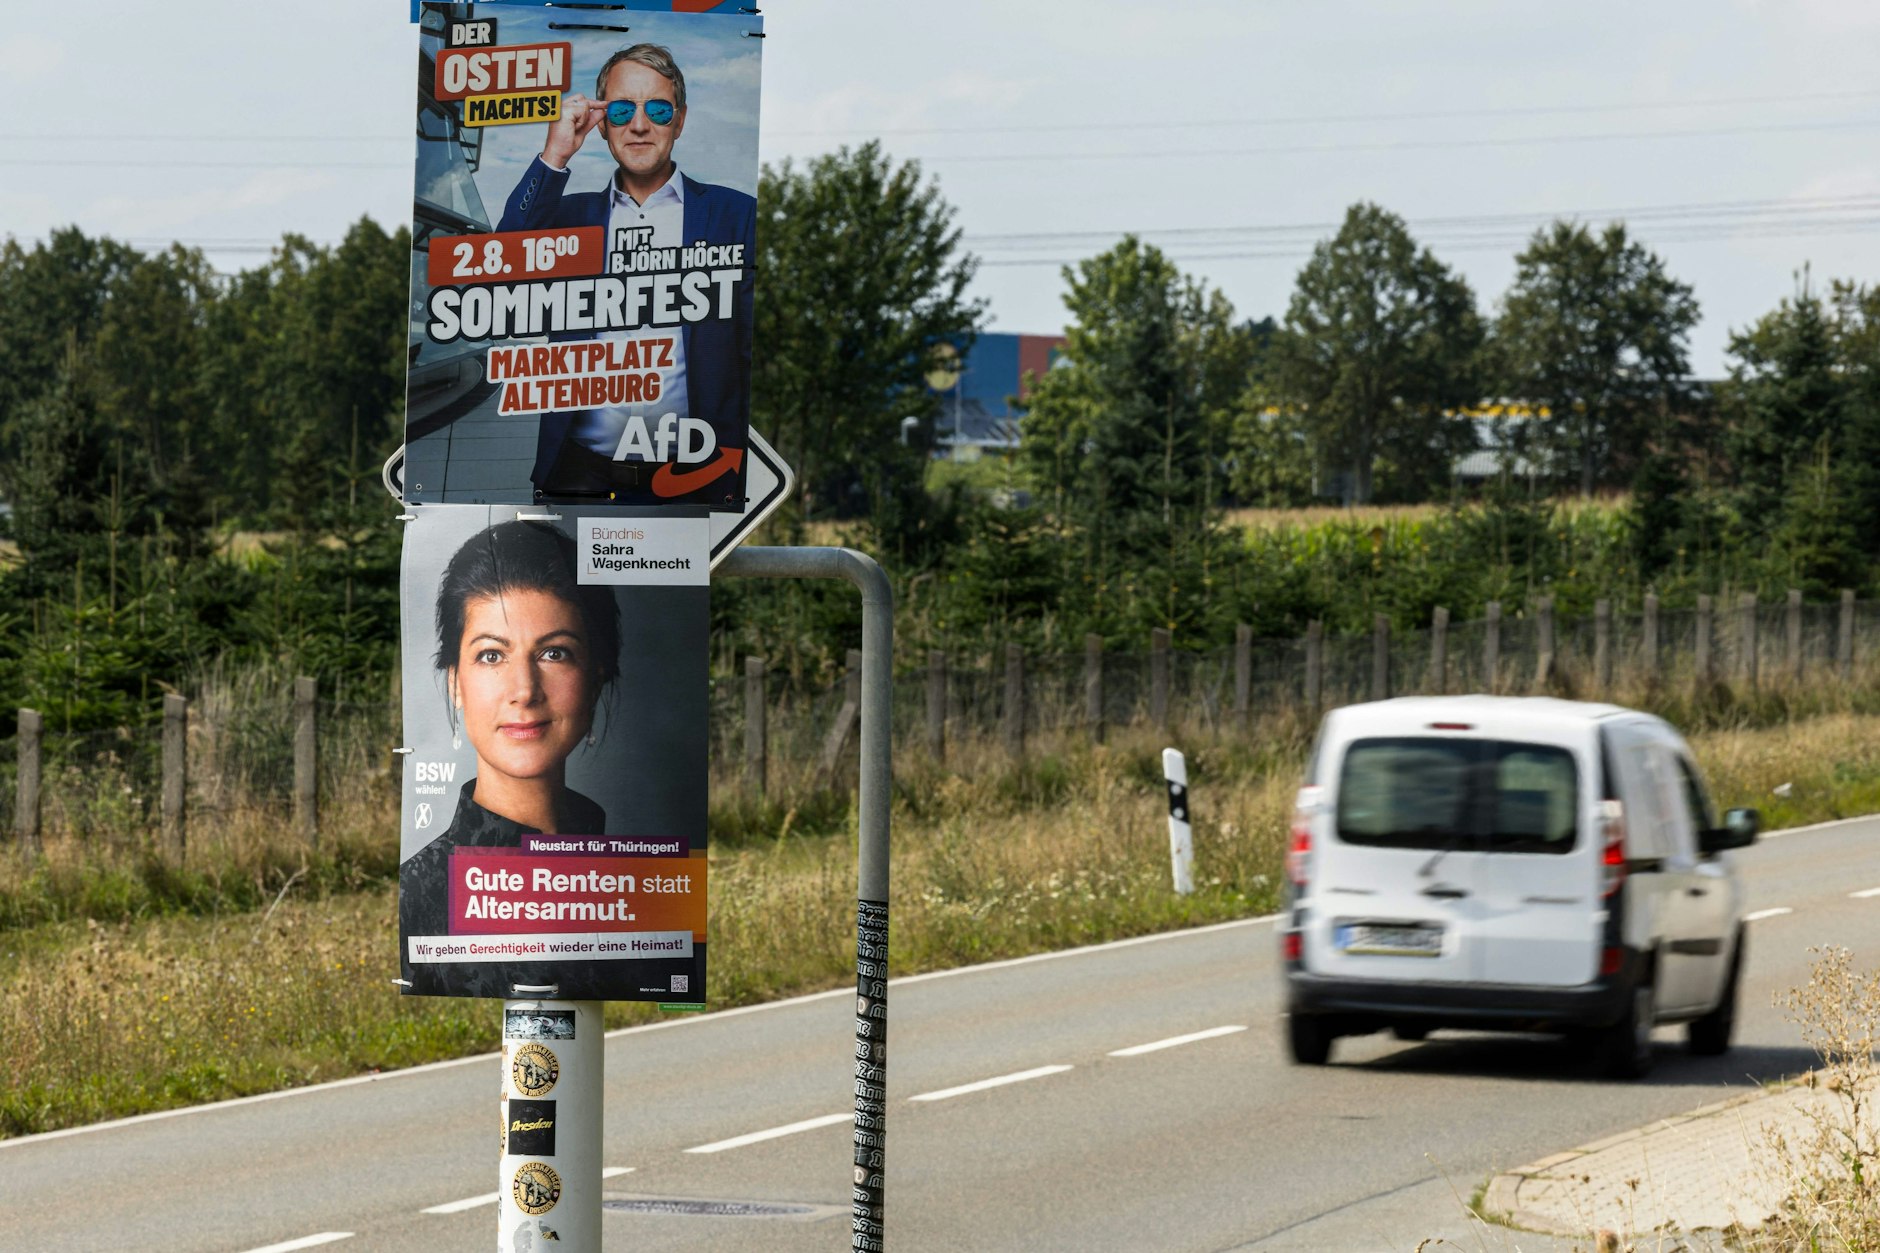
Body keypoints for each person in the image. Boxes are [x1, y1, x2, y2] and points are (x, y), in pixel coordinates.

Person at [496, 43, 755, 506]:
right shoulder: (569, 219)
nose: (639, 125)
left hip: (696, 477)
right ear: (602, 124)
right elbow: (503, 269)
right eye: (621, 110)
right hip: (578, 474)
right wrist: (555, 154)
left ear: (680, 119)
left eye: (658, 109)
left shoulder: (737, 216)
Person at [399, 520, 621, 965]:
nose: (524, 690)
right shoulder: (421, 891)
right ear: (455, 683)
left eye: (554, 652)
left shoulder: (630, 874)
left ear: (595, 679)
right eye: (492, 655)